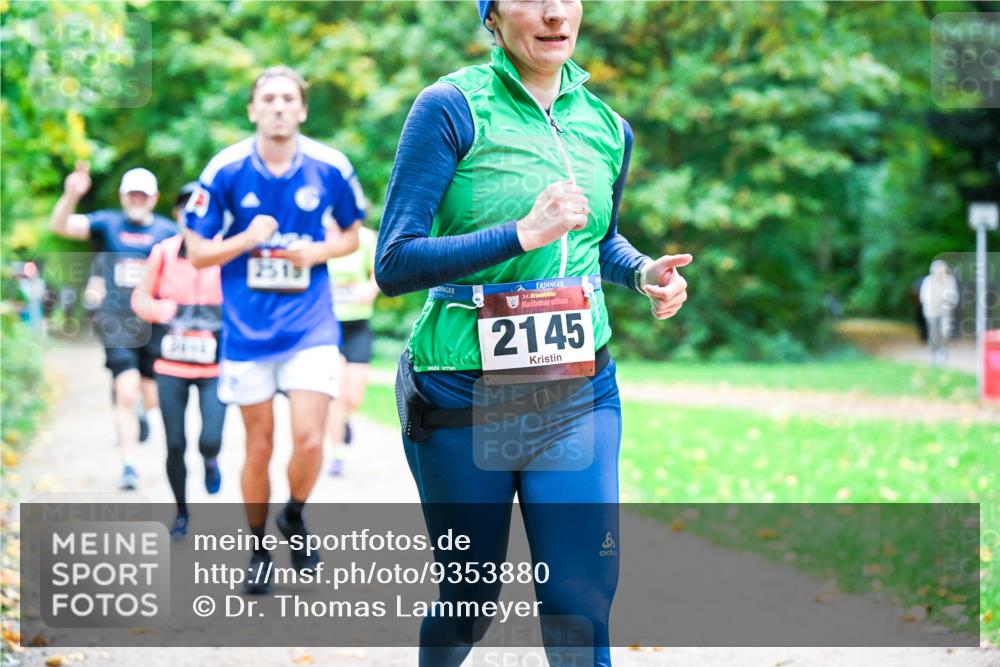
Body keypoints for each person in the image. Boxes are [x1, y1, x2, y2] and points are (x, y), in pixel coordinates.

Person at [376, 2, 691, 665]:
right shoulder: (451, 107)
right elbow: (395, 263)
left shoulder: (607, 127)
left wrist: (642, 272)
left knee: (579, 596)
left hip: (577, 385)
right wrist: (520, 233)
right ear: (491, 16)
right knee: (470, 603)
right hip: (462, 389)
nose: (553, 12)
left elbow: (598, 240)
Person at [184, 66, 366, 593]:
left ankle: (295, 514)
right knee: (258, 446)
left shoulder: (330, 166)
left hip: (310, 324)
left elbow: (352, 235)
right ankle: (259, 544)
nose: (280, 106)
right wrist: (244, 239)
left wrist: (319, 250)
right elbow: (196, 253)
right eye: (269, 98)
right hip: (246, 331)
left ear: (303, 109)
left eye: (289, 98)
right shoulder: (225, 169)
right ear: (253, 109)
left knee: (310, 438)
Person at [49, 163, 176, 490]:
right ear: (122, 195)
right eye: (131, 193)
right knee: (125, 388)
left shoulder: (167, 232)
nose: (137, 199)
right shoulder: (107, 223)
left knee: (151, 393)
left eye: (143, 194)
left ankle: (145, 418)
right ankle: (129, 464)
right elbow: (60, 225)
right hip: (116, 320)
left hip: (153, 321)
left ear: (154, 198)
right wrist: (71, 194)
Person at [131, 182, 226, 541]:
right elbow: (140, 298)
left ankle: (211, 461)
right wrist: (159, 309)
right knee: (174, 444)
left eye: (200, 208)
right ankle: (182, 512)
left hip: (215, 366)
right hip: (170, 365)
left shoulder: (223, 252)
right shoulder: (164, 252)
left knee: (210, 439)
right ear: (177, 215)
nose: (193, 215)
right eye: (186, 209)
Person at [324, 224, 379, 476]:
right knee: (336, 393)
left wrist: (371, 288)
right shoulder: (318, 236)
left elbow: (380, 270)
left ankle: (344, 421)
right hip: (327, 326)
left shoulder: (366, 238)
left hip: (358, 325)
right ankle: (336, 453)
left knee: (353, 397)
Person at [919, 259, 959, 367]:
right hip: (932, 312)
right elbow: (924, 297)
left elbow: (953, 296)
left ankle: (943, 353)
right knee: (933, 334)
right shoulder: (928, 281)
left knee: (944, 332)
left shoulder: (949, 281)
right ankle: (934, 355)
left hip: (945, 312)